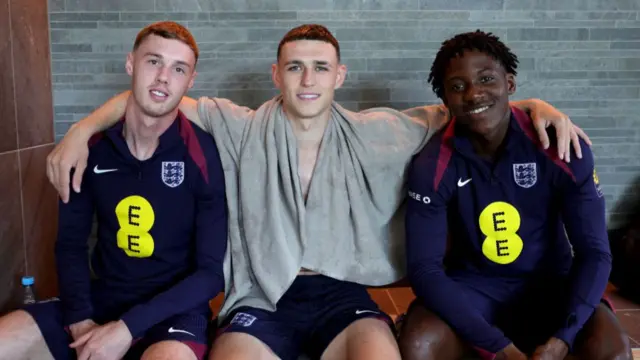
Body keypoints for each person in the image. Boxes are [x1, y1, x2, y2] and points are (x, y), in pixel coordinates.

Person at [46, 24, 590, 360]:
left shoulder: (381, 130)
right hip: (261, 294)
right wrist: (82, 130)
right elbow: (156, 95)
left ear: (339, 76)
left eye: (320, 68)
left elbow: (469, 107)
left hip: (341, 291)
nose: (308, 79)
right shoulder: (238, 125)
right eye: (296, 67)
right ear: (276, 74)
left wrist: (535, 107)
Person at [0, 21, 228, 360]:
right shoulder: (89, 149)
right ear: (130, 64)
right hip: (102, 300)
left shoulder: (204, 154)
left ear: (190, 81)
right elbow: (70, 245)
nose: (164, 76)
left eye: (178, 68)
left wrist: (127, 328)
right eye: (153, 61)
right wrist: (80, 320)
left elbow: (211, 275)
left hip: (174, 313)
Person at [398, 30, 631, 360]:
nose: (474, 93)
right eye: (458, 86)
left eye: (486, 78)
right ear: (445, 100)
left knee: (613, 351)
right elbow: (425, 270)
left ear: (510, 83)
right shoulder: (433, 165)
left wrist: (563, 338)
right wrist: (500, 348)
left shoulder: (562, 147)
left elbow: (595, 252)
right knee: (420, 343)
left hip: (551, 286)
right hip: (476, 287)